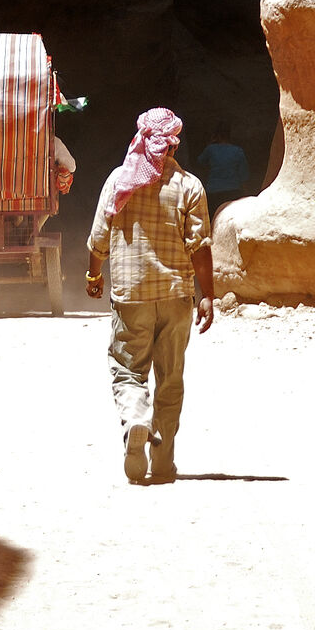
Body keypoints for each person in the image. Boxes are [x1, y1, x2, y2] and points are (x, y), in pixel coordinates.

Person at [85, 108, 214, 484]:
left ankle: (136, 419)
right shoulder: (189, 186)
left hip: (131, 296)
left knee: (128, 369)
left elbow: (99, 238)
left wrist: (94, 274)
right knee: (170, 378)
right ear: (173, 143)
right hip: (176, 297)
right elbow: (200, 246)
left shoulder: (118, 182)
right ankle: (163, 461)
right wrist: (207, 294)